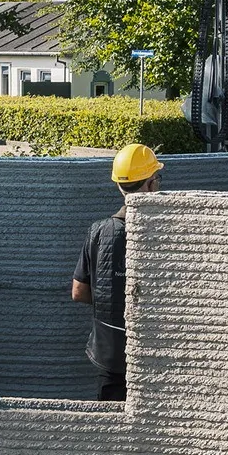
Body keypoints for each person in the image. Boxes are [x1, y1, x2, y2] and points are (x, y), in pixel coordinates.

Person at [72, 142, 164, 400]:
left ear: (119, 185)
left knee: (111, 431)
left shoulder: (98, 232)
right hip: (156, 357)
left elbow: (78, 292)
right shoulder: (166, 234)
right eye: (157, 179)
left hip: (109, 356)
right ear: (149, 186)